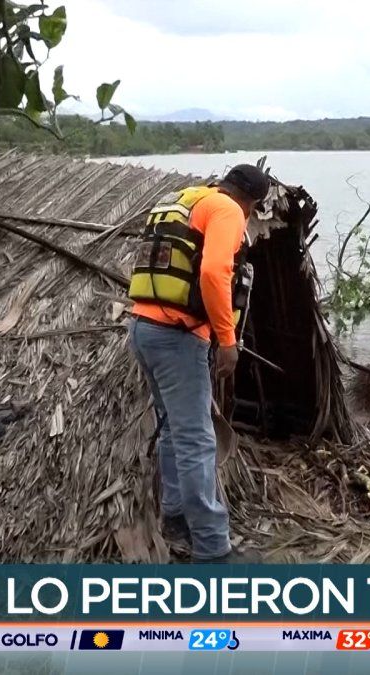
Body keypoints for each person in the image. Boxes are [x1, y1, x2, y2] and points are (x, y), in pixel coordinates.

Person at [126, 164, 270, 563]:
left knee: (173, 429)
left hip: (142, 328)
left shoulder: (182, 201)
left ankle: (176, 517)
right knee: (196, 439)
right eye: (253, 209)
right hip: (176, 338)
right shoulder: (226, 210)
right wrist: (227, 339)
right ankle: (212, 547)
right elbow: (213, 271)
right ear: (250, 201)